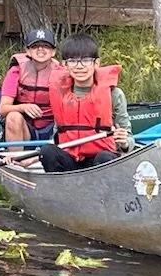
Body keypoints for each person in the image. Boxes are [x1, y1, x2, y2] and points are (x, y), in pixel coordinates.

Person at [32, 34, 135, 172]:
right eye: (73, 61)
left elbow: (129, 137)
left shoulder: (114, 94)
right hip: (70, 159)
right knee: (47, 151)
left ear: (96, 63)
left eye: (86, 60)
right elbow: (57, 137)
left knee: (104, 158)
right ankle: (61, 188)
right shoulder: (60, 94)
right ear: (65, 65)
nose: (79, 66)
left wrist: (124, 142)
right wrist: (31, 158)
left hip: (101, 160)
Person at [0, 28, 63, 143]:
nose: (40, 49)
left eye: (46, 46)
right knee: (13, 116)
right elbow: (3, 109)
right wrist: (23, 107)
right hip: (25, 129)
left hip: (52, 128)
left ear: (53, 52)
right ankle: (16, 158)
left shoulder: (62, 73)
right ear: (28, 51)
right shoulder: (15, 71)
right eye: (35, 46)